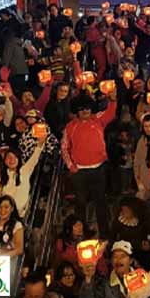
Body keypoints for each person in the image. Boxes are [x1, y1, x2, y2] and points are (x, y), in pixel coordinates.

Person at [61, 92, 117, 238]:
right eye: (81, 109)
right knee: (81, 205)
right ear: (76, 111)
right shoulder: (70, 127)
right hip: (80, 172)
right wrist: (71, 167)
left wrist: (112, 100)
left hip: (99, 169)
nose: (85, 111)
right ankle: (83, 234)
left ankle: (105, 235)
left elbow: (110, 113)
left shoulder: (97, 119)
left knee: (101, 203)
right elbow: (64, 148)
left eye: (87, 108)